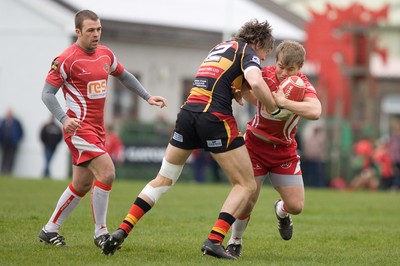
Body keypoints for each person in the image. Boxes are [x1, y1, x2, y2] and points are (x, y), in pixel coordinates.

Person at [101, 19, 277, 260]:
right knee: (246, 184)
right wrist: (274, 108)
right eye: (266, 52)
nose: (264, 58)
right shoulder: (247, 50)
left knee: (163, 179)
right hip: (214, 117)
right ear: (257, 43)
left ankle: (121, 231)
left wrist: (238, 92)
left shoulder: (221, 46)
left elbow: (231, 84)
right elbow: (256, 82)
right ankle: (215, 240)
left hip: (188, 113)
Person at [38, 10, 167, 248]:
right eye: (90, 30)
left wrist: (147, 97)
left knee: (82, 185)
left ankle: (50, 229)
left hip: (97, 130)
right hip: (78, 128)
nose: (96, 34)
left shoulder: (106, 54)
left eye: (98, 29)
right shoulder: (66, 59)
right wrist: (63, 118)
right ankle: (101, 233)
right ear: (78, 32)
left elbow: (124, 75)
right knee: (107, 172)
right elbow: (47, 94)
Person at [225, 40, 322, 258]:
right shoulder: (263, 74)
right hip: (255, 146)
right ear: (275, 62)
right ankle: (235, 242)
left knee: (296, 206)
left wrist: (284, 103)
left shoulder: (303, 85)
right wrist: (239, 92)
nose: (284, 73)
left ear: (300, 68)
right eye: (281, 66)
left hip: (283, 152)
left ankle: (280, 211)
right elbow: (242, 85)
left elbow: (316, 111)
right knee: (248, 199)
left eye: (291, 69)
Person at [0, 108, 24, 175]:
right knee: (4, 157)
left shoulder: (16, 122)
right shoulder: (3, 121)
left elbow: (21, 132)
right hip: (4, 143)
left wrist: (17, 140)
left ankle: (8, 171)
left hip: (13, 144)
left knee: (11, 158)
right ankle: (3, 171)